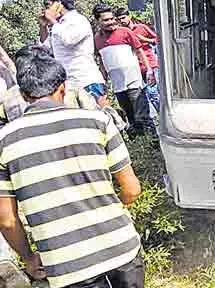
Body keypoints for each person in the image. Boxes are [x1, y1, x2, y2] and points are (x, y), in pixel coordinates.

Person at [0, 46, 144, 288]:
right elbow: (132, 190)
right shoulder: (98, 122)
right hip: (122, 252)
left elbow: (7, 219)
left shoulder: (5, 141)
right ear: (63, 88)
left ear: (23, 95)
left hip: (65, 267)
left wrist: (28, 258)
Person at [93, 4, 157, 138]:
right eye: (106, 20)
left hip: (134, 82)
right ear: (97, 21)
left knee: (142, 115)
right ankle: (139, 144)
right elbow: (102, 62)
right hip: (118, 86)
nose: (111, 22)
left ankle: (153, 142)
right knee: (130, 117)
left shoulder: (125, 32)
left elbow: (140, 51)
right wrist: (103, 80)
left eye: (112, 19)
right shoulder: (97, 39)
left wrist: (149, 71)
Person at [39, 0, 107, 106]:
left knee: (99, 119)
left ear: (58, 4)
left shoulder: (78, 20)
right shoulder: (59, 25)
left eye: (48, 5)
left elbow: (69, 39)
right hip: (69, 84)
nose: (46, 9)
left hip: (86, 80)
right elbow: (46, 49)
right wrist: (43, 26)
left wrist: (53, 21)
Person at [115, 8, 160, 115]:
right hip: (134, 69)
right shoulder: (121, 33)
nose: (122, 21)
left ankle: (164, 118)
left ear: (129, 16)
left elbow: (158, 40)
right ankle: (152, 124)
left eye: (123, 18)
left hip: (150, 65)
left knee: (153, 94)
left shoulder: (141, 27)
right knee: (143, 97)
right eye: (119, 19)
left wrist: (143, 39)